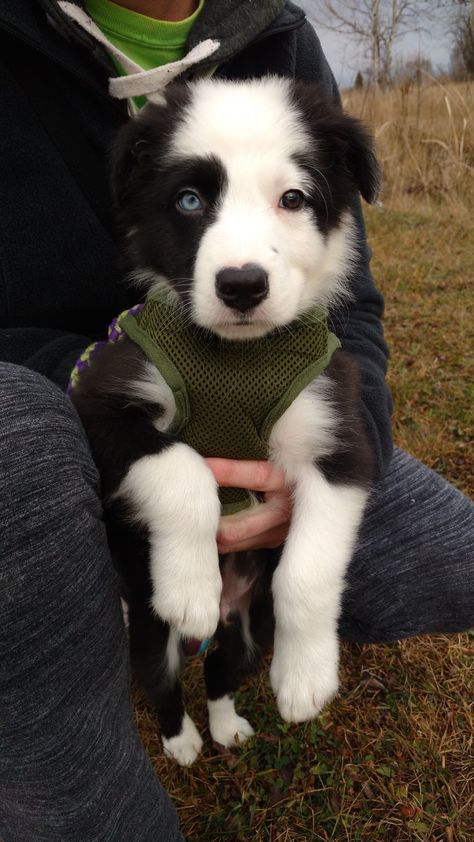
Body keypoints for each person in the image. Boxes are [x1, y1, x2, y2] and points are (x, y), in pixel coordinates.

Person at [0, 1, 472, 840]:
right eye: (192, 197)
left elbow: (353, 310)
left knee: (450, 553)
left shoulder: (281, 33)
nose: (242, 259)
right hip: (46, 435)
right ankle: (90, 713)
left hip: (282, 464)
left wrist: (310, 517)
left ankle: (232, 648)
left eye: (291, 197)